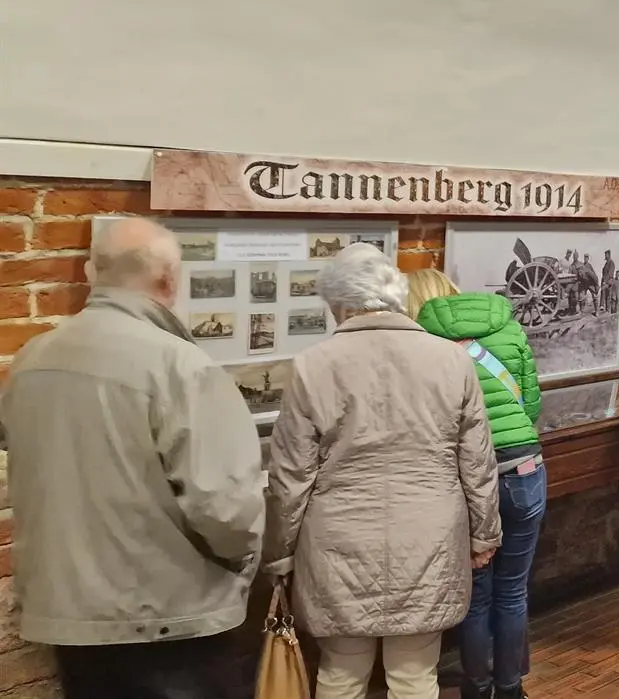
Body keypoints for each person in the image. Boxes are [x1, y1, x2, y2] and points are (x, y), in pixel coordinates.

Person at [0, 218, 264, 699]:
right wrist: (240, 563)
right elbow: (228, 512)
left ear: (91, 273)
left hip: (68, 617)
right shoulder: (182, 367)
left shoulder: (32, 359)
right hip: (169, 619)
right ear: (169, 279)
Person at [264, 243, 502, 699]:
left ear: (341, 303)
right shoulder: (452, 359)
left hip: (338, 539)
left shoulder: (312, 365)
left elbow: (290, 476)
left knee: (340, 674)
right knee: (415, 676)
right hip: (429, 534)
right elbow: (477, 460)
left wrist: (280, 555)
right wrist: (484, 534)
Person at [408, 268, 546, 699]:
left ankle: (477, 687)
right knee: (513, 590)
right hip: (524, 468)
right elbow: (531, 405)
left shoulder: (422, 344)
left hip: (468, 476)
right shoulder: (507, 326)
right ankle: (510, 688)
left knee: (476, 594)